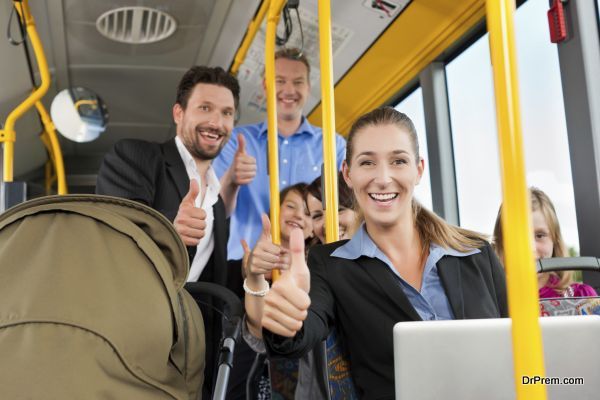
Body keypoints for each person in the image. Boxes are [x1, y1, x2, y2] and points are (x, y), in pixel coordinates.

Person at [259, 106, 508, 400]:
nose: (383, 178)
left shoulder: (477, 255)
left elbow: (519, 349)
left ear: (419, 170)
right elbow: (298, 338)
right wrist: (287, 316)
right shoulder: (330, 264)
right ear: (348, 174)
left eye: (398, 161)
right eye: (367, 163)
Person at [95, 66, 241, 398]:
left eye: (227, 113)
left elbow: (210, 282)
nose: (216, 122)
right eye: (205, 108)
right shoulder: (137, 156)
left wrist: (251, 269)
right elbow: (117, 237)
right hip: (132, 349)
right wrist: (171, 231)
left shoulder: (217, 203)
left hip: (191, 362)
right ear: (179, 113)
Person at [212, 47, 347, 261]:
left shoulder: (333, 146)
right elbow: (216, 210)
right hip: (242, 263)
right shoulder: (238, 142)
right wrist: (231, 180)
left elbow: (345, 212)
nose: (289, 90)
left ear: (308, 87)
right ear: (265, 86)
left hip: (309, 268)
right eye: (280, 80)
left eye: (298, 82)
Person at [493, 187, 597, 298]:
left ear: (555, 239)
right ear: (501, 244)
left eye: (540, 235)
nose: (531, 248)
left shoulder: (581, 296)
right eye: (519, 237)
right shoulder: (493, 301)